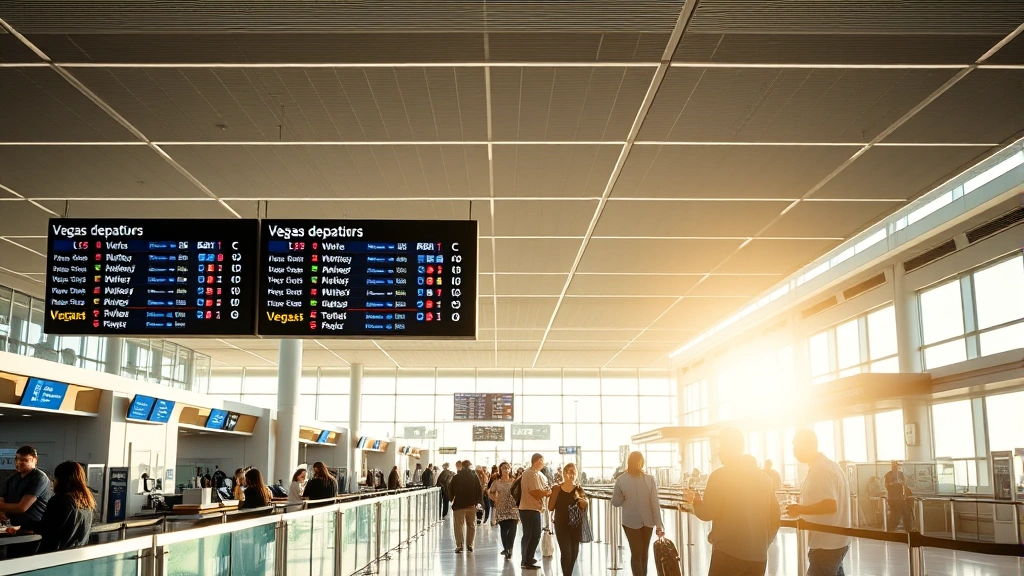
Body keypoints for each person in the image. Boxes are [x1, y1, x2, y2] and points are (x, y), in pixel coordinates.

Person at [687, 428, 781, 576]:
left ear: (729, 448)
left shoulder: (720, 476)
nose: (718, 452)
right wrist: (761, 544)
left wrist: (696, 501)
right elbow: (775, 517)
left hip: (728, 554)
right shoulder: (765, 479)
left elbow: (707, 513)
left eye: (721, 447)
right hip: (758, 557)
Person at [786, 430, 851, 576]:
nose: (794, 452)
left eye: (796, 447)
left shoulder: (821, 470)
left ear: (807, 446)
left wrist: (799, 509)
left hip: (826, 546)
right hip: (836, 543)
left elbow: (830, 505)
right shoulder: (828, 466)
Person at [611, 451, 665, 576]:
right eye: (636, 461)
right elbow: (615, 502)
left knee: (644, 553)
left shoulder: (649, 479)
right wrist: (622, 498)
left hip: (647, 522)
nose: (638, 464)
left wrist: (659, 525)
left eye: (640, 461)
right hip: (630, 522)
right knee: (636, 552)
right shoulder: (621, 480)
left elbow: (655, 503)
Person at [30, 461, 94, 552]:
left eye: (55, 478)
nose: (53, 481)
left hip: (56, 554)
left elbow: (48, 529)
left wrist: (26, 526)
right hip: (77, 554)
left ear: (61, 479)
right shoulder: (86, 501)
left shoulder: (59, 500)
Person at [548, 462, 588, 576]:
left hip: (575, 525)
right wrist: (553, 493)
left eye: (574, 472)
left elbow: (585, 504)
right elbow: (550, 507)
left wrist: (581, 500)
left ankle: (568, 573)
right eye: (569, 472)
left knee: (574, 553)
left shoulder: (578, 489)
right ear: (564, 473)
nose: (572, 474)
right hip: (561, 524)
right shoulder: (557, 489)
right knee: (567, 552)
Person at [0, 446, 52, 528]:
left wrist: (2, 507)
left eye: (25, 460)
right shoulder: (11, 479)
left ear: (35, 460)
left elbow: (22, 507)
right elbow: (2, 498)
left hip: (34, 528)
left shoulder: (39, 478)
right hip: (13, 527)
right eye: (17, 459)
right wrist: (1, 512)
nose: (19, 463)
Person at [519, 453, 552, 570]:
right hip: (528, 509)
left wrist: (546, 491)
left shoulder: (539, 475)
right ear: (537, 461)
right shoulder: (529, 474)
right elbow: (535, 491)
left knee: (535, 535)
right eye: (542, 461)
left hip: (535, 509)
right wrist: (547, 493)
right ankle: (525, 560)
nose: (543, 463)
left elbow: (542, 488)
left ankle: (529, 557)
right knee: (529, 534)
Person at [449, 459, 482, 553]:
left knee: (458, 526)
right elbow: (479, 490)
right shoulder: (474, 477)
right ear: (470, 466)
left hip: (459, 505)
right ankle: (470, 545)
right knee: (471, 525)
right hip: (471, 505)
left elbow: (450, 490)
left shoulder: (456, 477)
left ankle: (459, 545)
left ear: (462, 466)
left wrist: (452, 499)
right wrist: (477, 502)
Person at [488, 462, 519, 560]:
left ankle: (510, 548)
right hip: (501, 508)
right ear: (500, 470)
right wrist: (495, 499)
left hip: (513, 508)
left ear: (510, 469)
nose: (506, 470)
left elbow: (520, 493)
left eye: (507, 468)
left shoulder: (514, 481)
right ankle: (506, 548)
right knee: (504, 529)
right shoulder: (497, 482)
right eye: (504, 468)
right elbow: (490, 492)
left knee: (513, 528)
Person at [884, 461, 913, 531]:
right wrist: (893, 484)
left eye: (896, 466)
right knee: (895, 515)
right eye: (893, 466)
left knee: (906, 515)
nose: (895, 467)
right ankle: (891, 530)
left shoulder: (901, 474)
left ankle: (908, 529)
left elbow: (904, 485)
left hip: (902, 498)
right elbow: (887, 485)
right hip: (894, 499)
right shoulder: (888, 475)